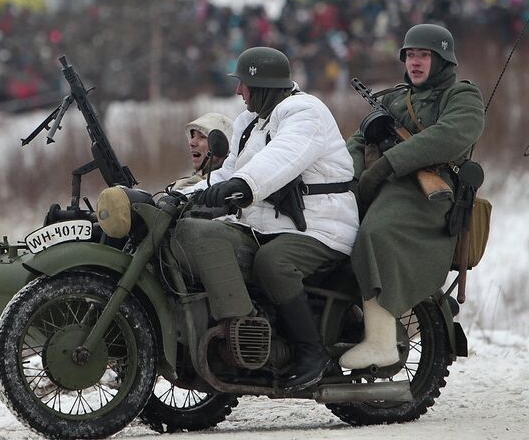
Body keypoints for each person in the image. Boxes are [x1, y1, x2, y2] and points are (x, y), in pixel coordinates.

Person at [173, 47, 359, 390]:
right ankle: (228, 340)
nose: (238, 91)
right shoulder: (248, 122)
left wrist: (242, 186)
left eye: (243, 84)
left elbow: (281, 159)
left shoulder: (305, 112)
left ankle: (311, 352)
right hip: (268, 225)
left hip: (320, 226)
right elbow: (226, 173)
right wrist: (181, 197)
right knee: (201, 235)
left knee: (272, 263)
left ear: (262, 85)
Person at [339, 24, 485, 369]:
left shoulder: (461, 96)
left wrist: (389, 163)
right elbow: (357, 142)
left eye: (424, 55)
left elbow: (449, 136)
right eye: (410, 55)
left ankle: (380, 342)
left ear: (443, 59)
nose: (415, 62)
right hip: (385, 187)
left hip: (430, 194)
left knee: (378, 233)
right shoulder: (392, 98)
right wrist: (347, 176)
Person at [170, 112, 233, 192]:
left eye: (202, 136)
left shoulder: (227, 190)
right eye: (192, 136)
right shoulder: (181, 185)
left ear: (221, 146)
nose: (192, 143)